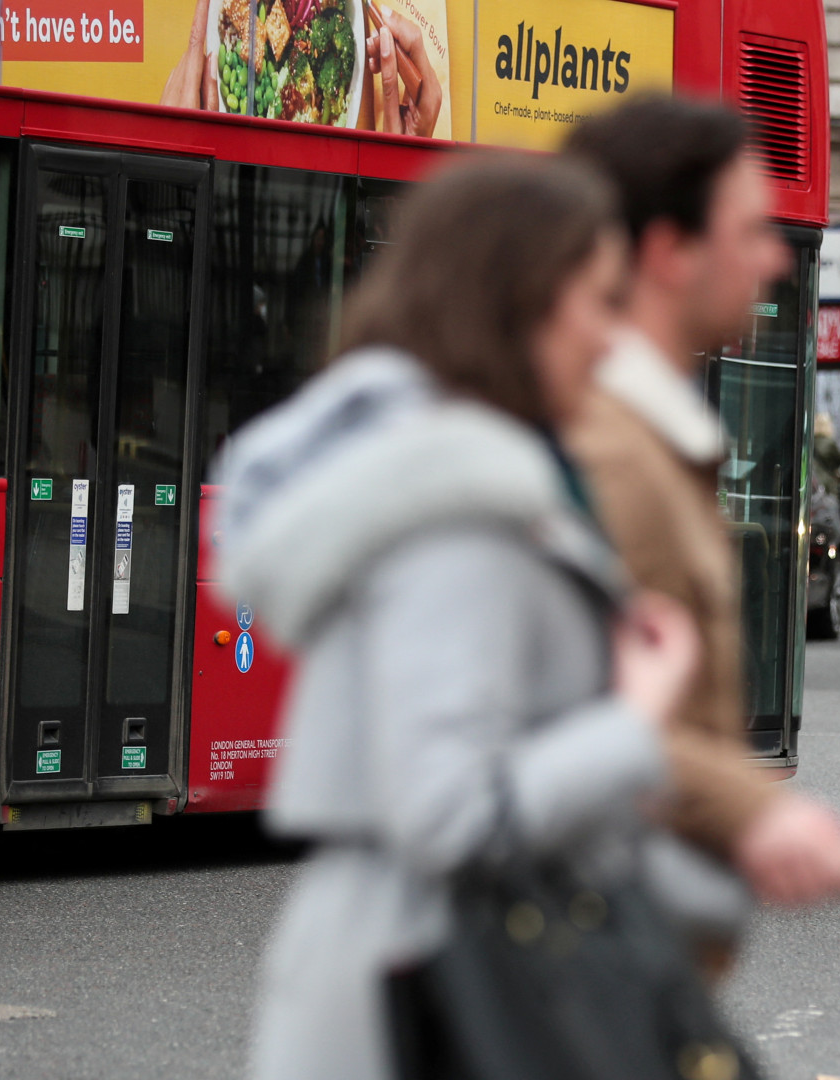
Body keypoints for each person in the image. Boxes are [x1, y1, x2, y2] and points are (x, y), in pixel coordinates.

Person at [221, 158, 697, 1080]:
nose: (613, 339)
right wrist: (634, 721)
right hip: (437, 995)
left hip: (417, 972)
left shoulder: (449, 477)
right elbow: (449, 811)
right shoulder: (458, 507)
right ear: (518, 300)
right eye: (600, 301)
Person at [559, 98, 840, 926]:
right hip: (570, 952)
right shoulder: (608, 455)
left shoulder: (653, 438)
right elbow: (552, 720)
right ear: (669, 253)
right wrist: (755, 809)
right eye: (748, 230)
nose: (772, 257)